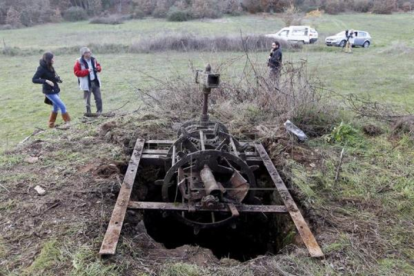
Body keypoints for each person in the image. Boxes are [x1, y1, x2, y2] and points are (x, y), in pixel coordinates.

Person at [32, 52, 70, 128]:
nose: (54, 59)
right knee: (62, 106)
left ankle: (51, 125)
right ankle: (68, 123)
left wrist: (57, 79)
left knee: (55, 107)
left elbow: (52, 77)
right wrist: (46, 81)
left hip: (55, 89)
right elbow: (34, 79)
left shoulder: (50, 66)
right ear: (49, 59)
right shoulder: (41, 68)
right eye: (53, 58)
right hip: (49, 92)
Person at [74, 47, 103, 114]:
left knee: (98, 98)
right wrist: (87, 71)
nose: (89, 53)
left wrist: (98, 68)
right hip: (87, 83)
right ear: (83, 54)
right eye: (87, 52)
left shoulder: (94, 59)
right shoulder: (79, 62)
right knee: (87, 100)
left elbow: (98, 66)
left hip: (95, 82)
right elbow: (77, 73)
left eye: (89, 52)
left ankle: (99, 112)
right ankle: (88, 113)